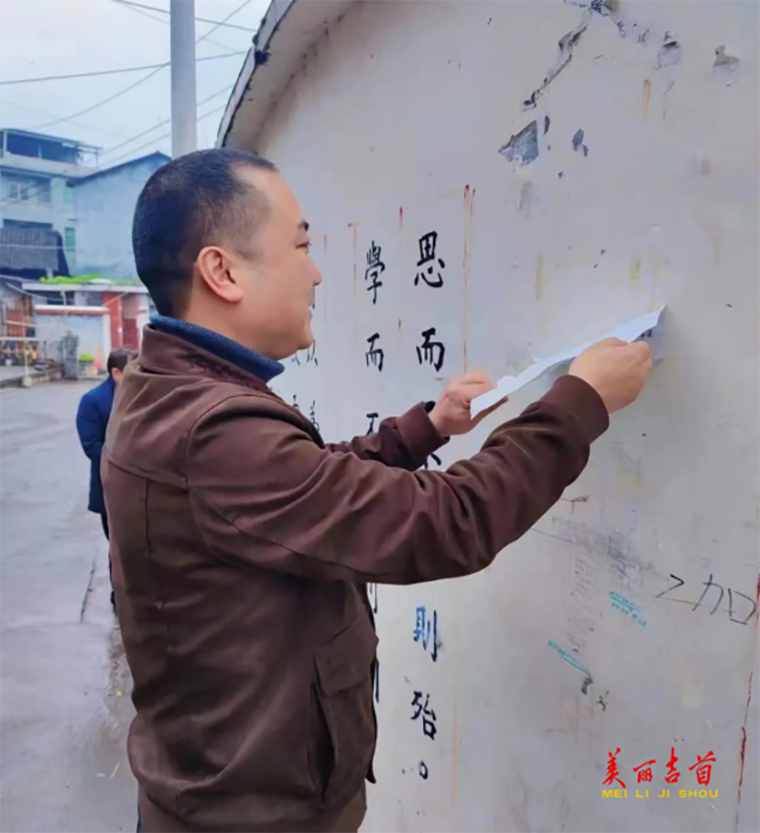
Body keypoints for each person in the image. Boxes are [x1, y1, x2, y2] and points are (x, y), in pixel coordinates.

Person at [103, 149, 652, 833]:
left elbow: (307, 481)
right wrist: (581, 400)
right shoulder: (212, 428)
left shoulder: (176, 393)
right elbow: (445, 521)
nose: (317, 272)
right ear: (223, 271)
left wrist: (424, 428)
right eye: (301, 244)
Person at [75, 346, 137, 611]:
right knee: (119, 545)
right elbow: (92, 446)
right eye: (134, 371)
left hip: (143, 488)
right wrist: (127, 465)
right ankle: (120, 597)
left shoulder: (143, 397)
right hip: (111, 488)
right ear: (116, 372)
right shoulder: (93, 401)